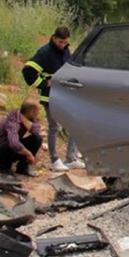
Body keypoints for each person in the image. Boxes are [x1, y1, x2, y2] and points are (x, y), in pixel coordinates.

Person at [22, 27, 84, 172]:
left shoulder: (66, 51)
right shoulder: (45, 53)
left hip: (66, 95)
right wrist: (43, 84)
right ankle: (54, 159)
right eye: (60, 42)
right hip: (50, 96)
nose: (62, 44)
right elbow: (28, 70)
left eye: (65, 42)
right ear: (54, 38)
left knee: (75, 124)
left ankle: (71, 158)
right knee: (54, 127)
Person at [0, 100, 42, 177]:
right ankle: (5, 168)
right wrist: (28, 154)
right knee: (10, 143)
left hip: (10, 150)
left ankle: (22, 168)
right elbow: (14, 143)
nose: (38, 113)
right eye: (37, 111)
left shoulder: (27, 117)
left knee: (37, 139)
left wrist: (25, 121)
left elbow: (36, 130)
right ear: (31, 112)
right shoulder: (12, 120)